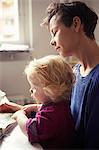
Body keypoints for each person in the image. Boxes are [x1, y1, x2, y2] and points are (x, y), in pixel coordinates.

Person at [41, 0, 99, 148]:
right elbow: (67, 115)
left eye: (54, 32)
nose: (51, 42)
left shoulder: (97, 80)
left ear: (76, 24)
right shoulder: (76, 72)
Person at [10, 55, 75, 149]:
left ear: (50, 90)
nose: (30, 90)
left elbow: (31, 130)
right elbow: (47, 108)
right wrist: (36, 107)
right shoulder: (62, 105)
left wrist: (20, 116)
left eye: (34, 88)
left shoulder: (52, 115)